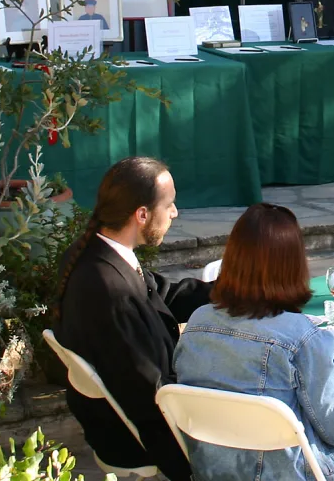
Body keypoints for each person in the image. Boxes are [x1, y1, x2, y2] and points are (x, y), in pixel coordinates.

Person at [176, 204, 334, 481]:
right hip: (294, 472)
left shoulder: (197, 322)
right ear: (294, 264)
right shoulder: (301, 337)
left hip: (217, 472)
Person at [54, 157, 212, 481]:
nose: (175, 212)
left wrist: (231, 291)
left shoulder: (101, 253)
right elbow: (149, 392)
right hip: (143, 437)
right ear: (142, 214)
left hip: (126, 422)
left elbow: (160, 294)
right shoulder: (107, 289)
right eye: (169, 205)